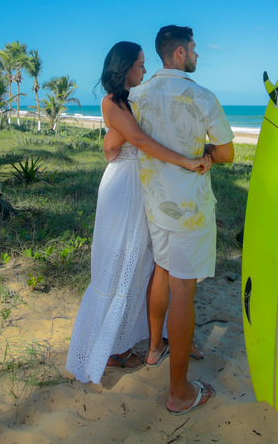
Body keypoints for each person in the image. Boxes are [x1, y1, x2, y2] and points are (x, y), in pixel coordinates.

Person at [65, 41, 211, 385]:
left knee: (143, 264)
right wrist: (187, 161)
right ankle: (108, 348)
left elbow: (120, 142)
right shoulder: (111, 102)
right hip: (123, 186)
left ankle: (141, 340)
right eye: (140, 65)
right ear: (124, 67)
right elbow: (138, 141)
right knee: (116, 262)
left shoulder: (137, 99)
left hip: (144, 183)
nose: (145, 71)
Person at [129, 25, 234, 415]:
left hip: (156, 204)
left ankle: (155, 348)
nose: (196, 55)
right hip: (189, 210)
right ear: (178, 52)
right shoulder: (202, 96)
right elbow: (226, 154)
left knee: (162, 269)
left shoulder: (136, 94)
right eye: (193, 48)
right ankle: (178, 393)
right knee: (184, 291)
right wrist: (203, 151)